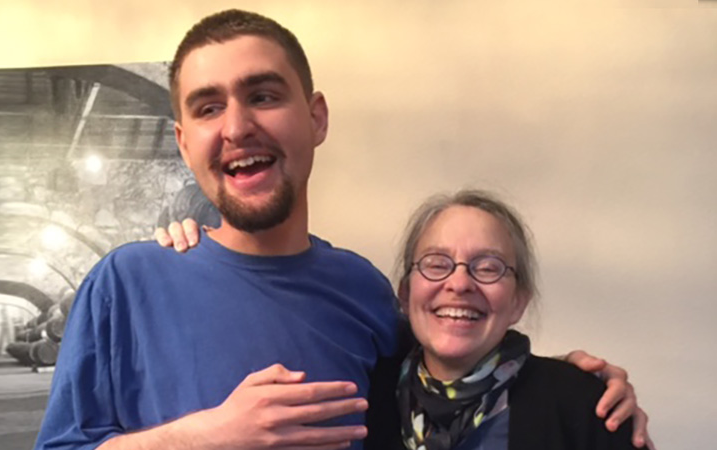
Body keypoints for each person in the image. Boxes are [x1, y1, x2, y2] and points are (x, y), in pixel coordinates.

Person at [35, 9, 651, 450]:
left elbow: (457, 368)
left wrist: (580, 385)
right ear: (182, 141)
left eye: (264, 95)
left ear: (316, 116)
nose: (236, 126)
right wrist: (207, 437)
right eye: (208, 106)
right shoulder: (126, 281)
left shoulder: (362, 289)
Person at [388, 189, 647, 449]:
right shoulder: (365, 399)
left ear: (518, 301)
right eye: (436, 264)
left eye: (489, 267)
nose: (459, 283)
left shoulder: (588, 404)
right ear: (406, 294)